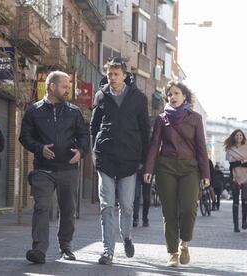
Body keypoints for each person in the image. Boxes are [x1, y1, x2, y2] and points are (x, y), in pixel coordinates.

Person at [19, 70, 89, 264]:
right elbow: (24, 137)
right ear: (52, 86)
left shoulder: (74, 112)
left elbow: (84, 136)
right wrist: (39, 148)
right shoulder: (34, 110)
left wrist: (81, 152)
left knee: (68, 210)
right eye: (65, 86)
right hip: (43, 169)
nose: (68, 90)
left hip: (68, 169)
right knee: (41, 207)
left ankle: (65, 246)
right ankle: (39, 250)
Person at [90, 57, 150, 265]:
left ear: (124, 75)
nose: (112, 78)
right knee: (106, 204)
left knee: (126, 205)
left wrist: (144, 160)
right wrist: (94, 153)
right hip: (105, 158)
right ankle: (108, 250)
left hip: (129, 160)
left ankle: (127, 236)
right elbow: (94, 127)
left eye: (116, 74)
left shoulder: (139, 98)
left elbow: (145, 130)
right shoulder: (100, 96)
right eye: (109, 74)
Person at [144, 81, 209, 267]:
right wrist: (149, 169)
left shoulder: (195, 118)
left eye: (176, 93)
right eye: (169, 94)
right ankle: (172, 253)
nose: (172, 97)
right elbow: (154, 144)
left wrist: (205, 173)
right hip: (166, 167)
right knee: (169, 211)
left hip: (190, 168)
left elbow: (201, 147)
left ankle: (185, 243)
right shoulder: (161, 118)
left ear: (185, 96)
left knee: (189, 208)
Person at [224, 129, 247, 232]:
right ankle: (236, 225)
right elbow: (231, 165)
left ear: (243, 136)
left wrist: (239, 162)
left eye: (240, 135)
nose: (239, 136)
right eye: (237, 135)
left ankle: (244, 221)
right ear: (234, 137)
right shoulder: (230, 149)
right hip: (235, 177)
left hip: (246, 177)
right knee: (235, 202)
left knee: (245, 199)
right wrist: (243, 161)